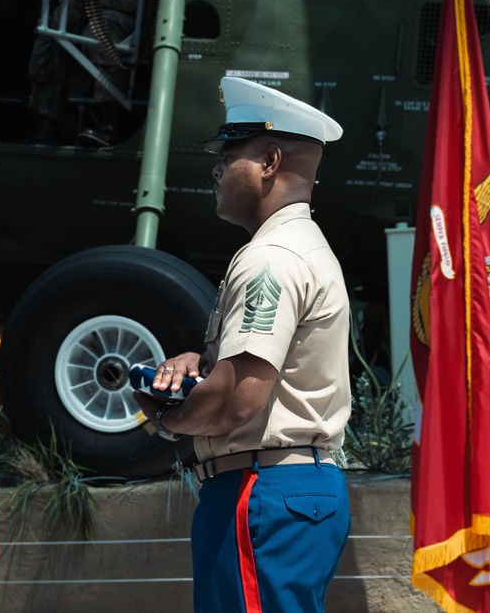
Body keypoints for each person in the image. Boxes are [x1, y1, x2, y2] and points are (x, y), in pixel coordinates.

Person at [133, 77, 352, 612]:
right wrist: (202, 364)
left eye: (230, 155)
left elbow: (239, 400)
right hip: (292, 486)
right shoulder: (303, 247)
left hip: (262, 489)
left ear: (270, 161)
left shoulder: (270, 258)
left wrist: (162, 418)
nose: (217, 168)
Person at [27, 0, 142, 146]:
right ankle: (47, 120)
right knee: (55, 29)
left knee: (99, 32)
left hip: (129, 22)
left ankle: (109, 123)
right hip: (90, 9)